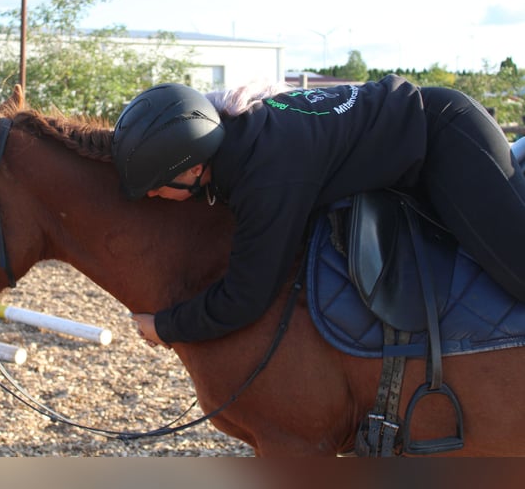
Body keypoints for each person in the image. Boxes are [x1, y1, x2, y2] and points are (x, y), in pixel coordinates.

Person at [111, 76, 525, 347]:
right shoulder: (240, 133)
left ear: (196, 168)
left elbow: (245, 298)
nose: (152, 196)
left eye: (157, 186)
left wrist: (165, 327)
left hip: (446, 138)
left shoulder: (266, 174)